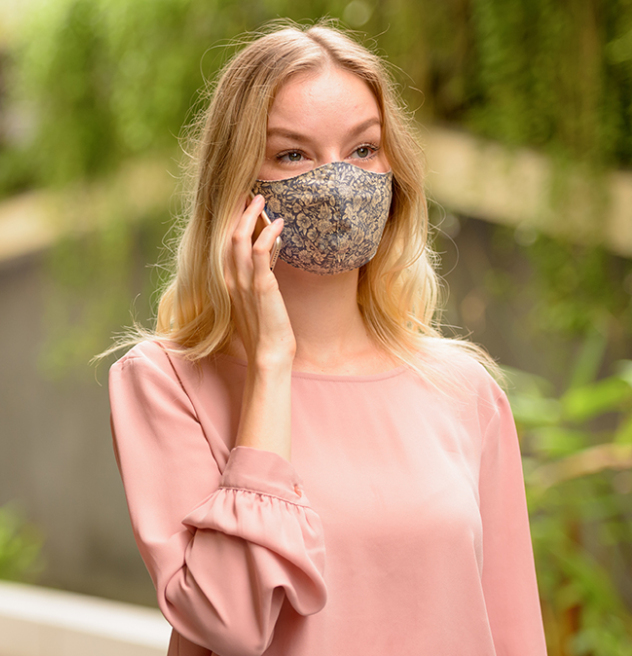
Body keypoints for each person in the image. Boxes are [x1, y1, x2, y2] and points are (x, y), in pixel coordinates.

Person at [106, 21, 546, 656]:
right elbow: (227, 626)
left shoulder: (463, 389)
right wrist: (270, 366)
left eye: (363, 150)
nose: (338, 182)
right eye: (293, 154)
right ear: (236, 186)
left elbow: (514, 634)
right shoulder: (164, 382)